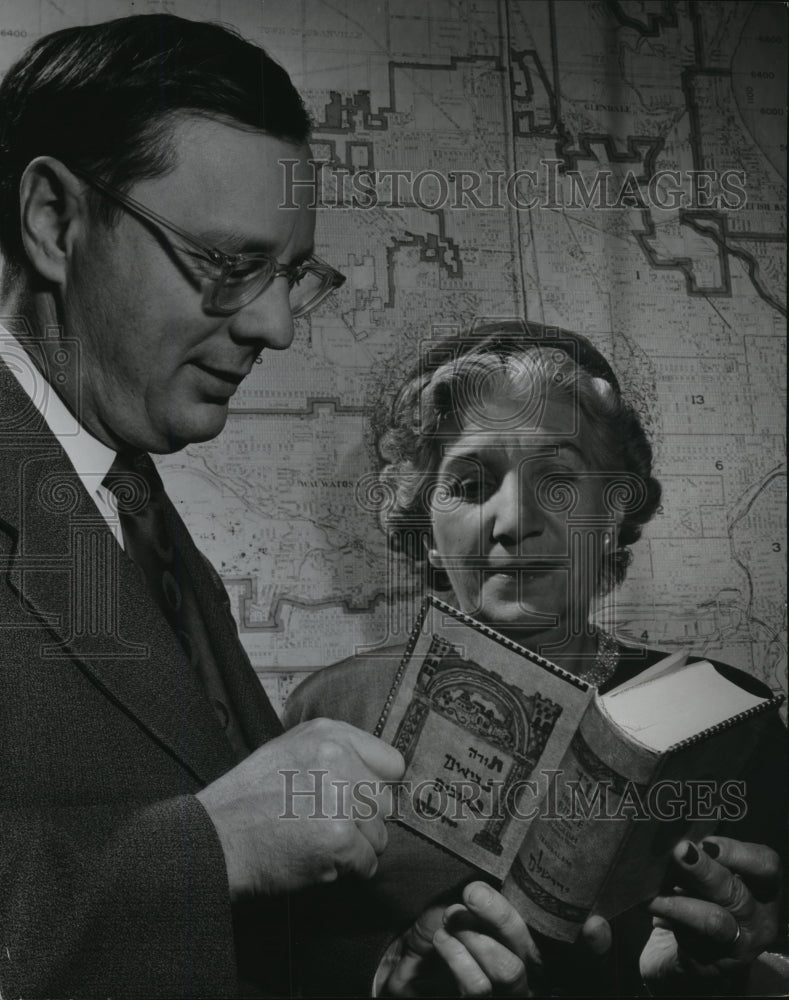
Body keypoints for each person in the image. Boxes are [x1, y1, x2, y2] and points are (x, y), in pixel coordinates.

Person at [0, 14, 420, 997]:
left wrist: (384, 964)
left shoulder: (131, 500)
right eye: (230, 265)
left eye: (291, 274)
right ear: (56, 222)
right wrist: (210, 847)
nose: (274, 324)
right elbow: (219, 836)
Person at [285, 319, 788, 996]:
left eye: (555, 481)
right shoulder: (330, 713)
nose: (512, 519)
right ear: (426, 535)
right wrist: (383, 975)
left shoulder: (725, 717)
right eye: (469, 485)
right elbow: (273, 960)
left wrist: (739, 965)